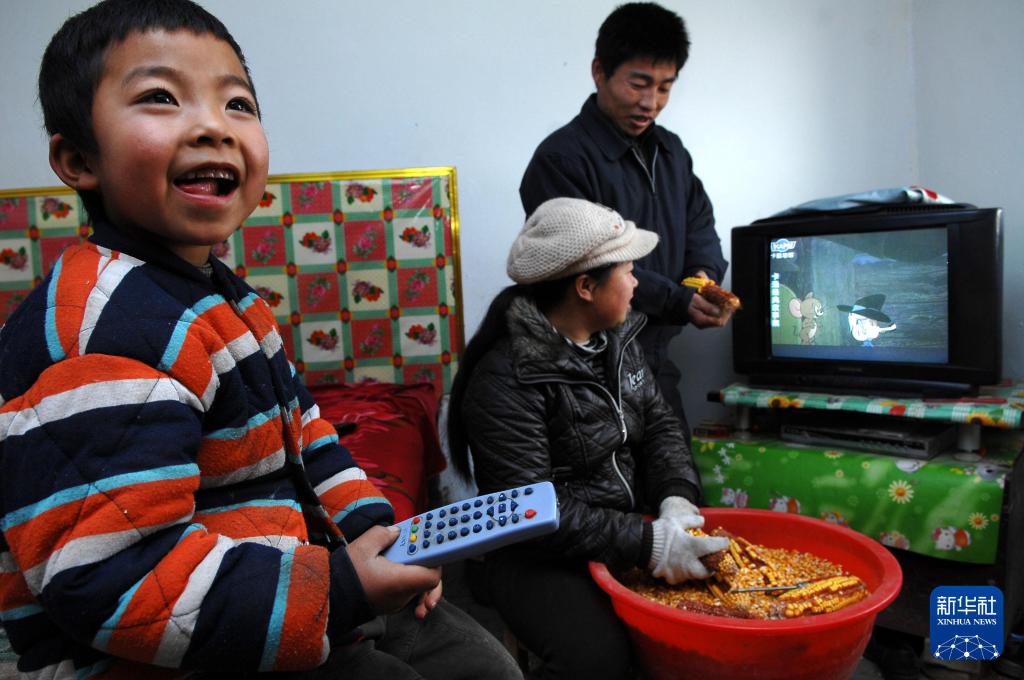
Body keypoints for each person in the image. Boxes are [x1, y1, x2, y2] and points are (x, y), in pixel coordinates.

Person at [0, 2, 521, 679]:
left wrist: (373, 532)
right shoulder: (99, 329)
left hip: (287, 583)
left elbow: (306, 434)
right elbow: (116, 579)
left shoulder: (228, 298)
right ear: (77, 158)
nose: (213, 126)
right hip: (157, 644)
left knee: (482, 665)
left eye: (238, 104)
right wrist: (344, 588)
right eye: (161, 97)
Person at [447, 197, 729, 679]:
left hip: (626, 531)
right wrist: (649, 542)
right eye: (629, 271)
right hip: (540, 553)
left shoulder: (619, 341)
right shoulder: (506, 378)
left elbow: (660, 426)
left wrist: (676, 499)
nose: (637, 283)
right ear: (585, 287)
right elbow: (530, 508)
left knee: (709, 621)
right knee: (599, 660)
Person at [519, 2, 734, 440]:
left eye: (664, 87)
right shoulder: (560, 160)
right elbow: (589, 261)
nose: (650, 103)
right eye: (638, 84)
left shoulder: (672, 153)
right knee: (603, 479)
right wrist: (677, 299)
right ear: (599, 71)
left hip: (655, 361)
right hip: (586, 368)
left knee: (677, 476)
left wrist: (702, 278)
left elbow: (700, 224)